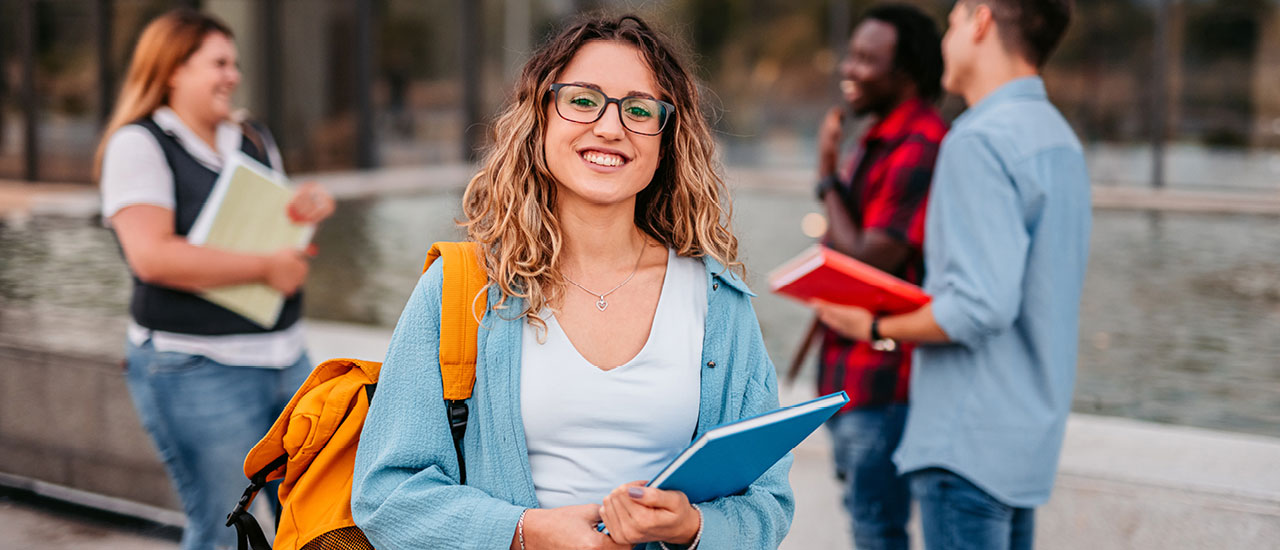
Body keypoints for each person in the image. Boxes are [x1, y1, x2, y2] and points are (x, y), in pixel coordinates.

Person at [351, 14, 794, 550]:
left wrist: (696, 527)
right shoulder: (463, 287)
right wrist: (525, 532)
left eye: (638, 109)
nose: (611, 127)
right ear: (540, 118)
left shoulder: (718, 302)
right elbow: (386, 496)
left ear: (666, 139)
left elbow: (767, 502)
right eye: (583, 101)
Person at [813, 1, 1088, 549]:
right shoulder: (1059, 139)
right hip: (1025, 444)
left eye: (956, 20)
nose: (947, 37)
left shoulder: (978, 139)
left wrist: (870, 327)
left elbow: (977, 306)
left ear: (981, 20)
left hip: (965, 445)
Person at [95, 10, 335, 550]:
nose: (233, 75)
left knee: (317, 523)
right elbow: (152, 257)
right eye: (219, 63)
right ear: (172, 70)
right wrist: (266, 268)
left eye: (236, 63)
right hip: (196, 368)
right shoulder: (139, 144)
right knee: (224, 532)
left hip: (285, 359)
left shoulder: (251, 136)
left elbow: (272, 221)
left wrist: (307, 206)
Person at [805, 4, 946, 550]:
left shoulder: (919, 144)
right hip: (853, 374)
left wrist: (825, 178)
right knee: (868, 524)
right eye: (852, 53)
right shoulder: (877, 139)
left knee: (876, 531)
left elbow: (869, 258)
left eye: (867, 58)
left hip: (885, 380)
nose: (850, 67)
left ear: (904, 71)